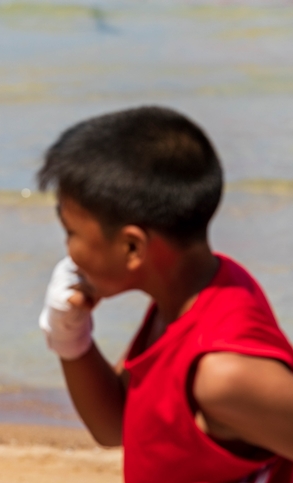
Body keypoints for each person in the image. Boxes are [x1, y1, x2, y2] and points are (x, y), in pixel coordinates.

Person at [37, 106, 293, 482]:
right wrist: (70, 338)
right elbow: (116, 425)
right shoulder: (182, 301)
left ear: (132, 249)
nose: (69, 250)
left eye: (72, 233)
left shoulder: (223, 374)